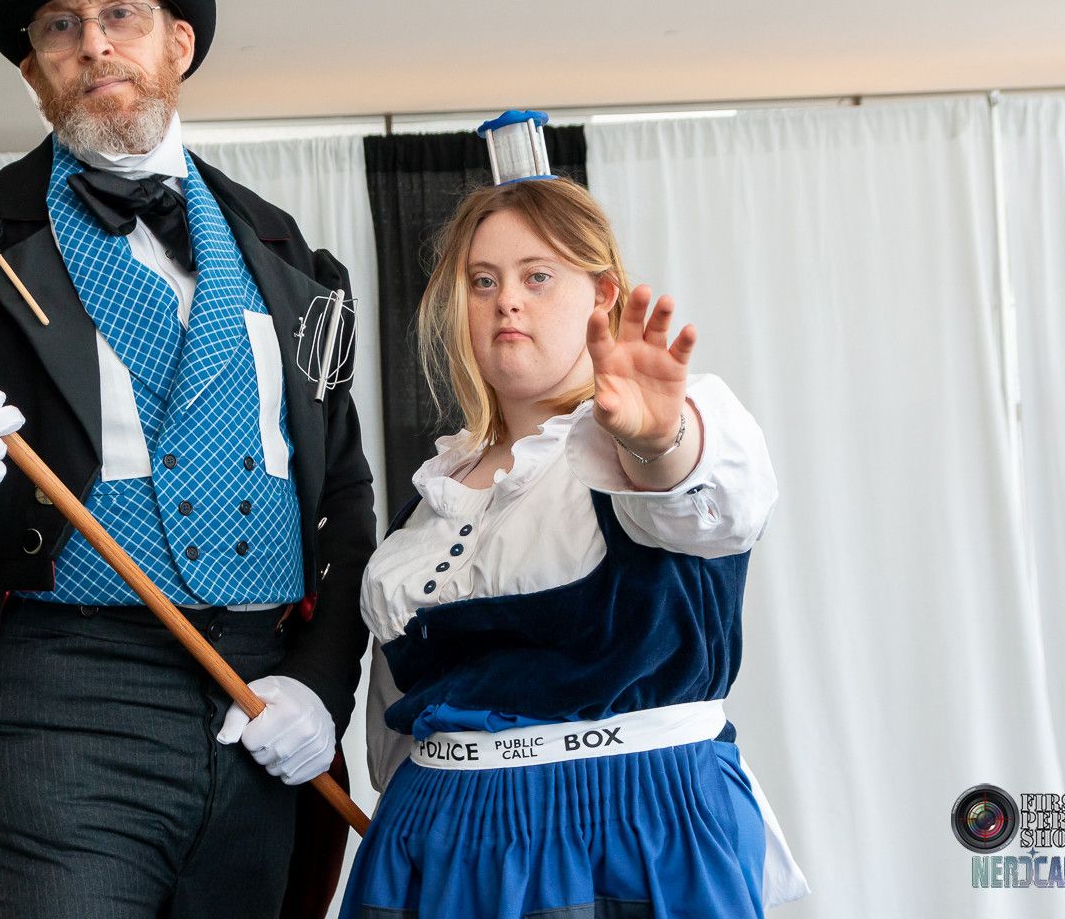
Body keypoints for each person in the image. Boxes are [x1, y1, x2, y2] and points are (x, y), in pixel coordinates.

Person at [0, 0, 375, 919]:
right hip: (60, 701)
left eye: (121, 14)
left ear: (179, 43)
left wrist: (321, 686)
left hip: (259, 695)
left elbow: (346, 502)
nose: (93, 44)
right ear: (33, 73)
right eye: (59, 27)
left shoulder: (291, 255)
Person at [338, 143, 808, 917]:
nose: (506, 302)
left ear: (602, 293)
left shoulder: (642, 444)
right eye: (483, 281)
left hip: (623, 834)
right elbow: (396, 721)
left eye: (537, 276)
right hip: (428, 843)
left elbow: (708, 497)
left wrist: (657, 440)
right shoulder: (432, 500)